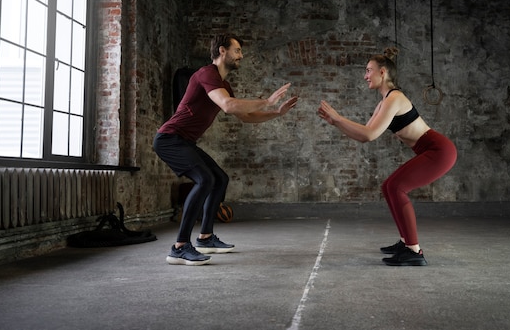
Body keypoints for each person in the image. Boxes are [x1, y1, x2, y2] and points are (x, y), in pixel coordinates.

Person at [154, 33, 298, 266]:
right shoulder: (206, 74)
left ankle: (206, 237)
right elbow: (228, 106)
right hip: (169, 139)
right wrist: (267, 101)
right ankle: (179, 247)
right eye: (237, 50)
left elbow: (246, 116)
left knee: (219, 179)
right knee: (204, 180)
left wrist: (276, 113)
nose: (241, 55)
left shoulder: (224, 85)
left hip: (184, 141)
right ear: (222, 51)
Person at [317, 48, 457, 266]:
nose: (365, 76)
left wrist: (339, 117)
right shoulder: (384, 101)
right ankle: (406, 242)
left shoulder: (395, 98)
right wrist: (336, 122)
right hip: (431, 150)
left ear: (382, 72)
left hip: (439, 150)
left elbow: (370, 134)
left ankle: (414, 251)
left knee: (396, 187)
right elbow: (365, 134)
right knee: (389, 186)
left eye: (368, 71)